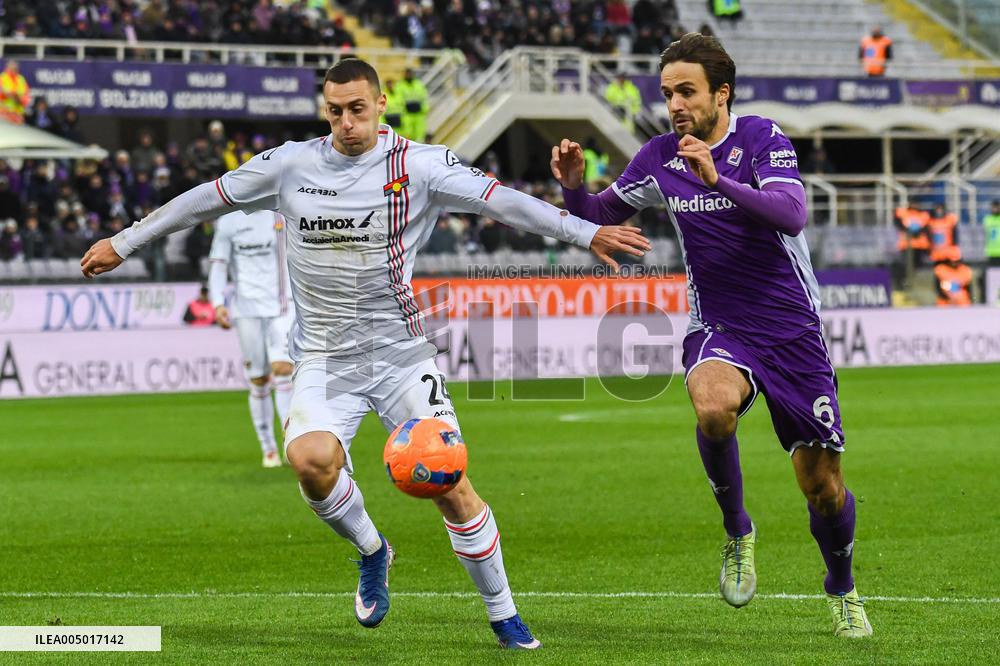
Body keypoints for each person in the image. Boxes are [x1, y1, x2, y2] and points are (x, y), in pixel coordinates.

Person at [81, 57, 649, 649]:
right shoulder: (290, 165)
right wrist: (125, 242)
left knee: (450, 483)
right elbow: (204, 199)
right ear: (324, 111)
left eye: (357, 109)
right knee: (310, 462)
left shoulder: (420, 165)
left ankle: (504, 615)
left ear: (381, 105)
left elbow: (502, 202)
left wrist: (585, 232)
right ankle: (373, 550)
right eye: (335, 112)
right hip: (324, 360)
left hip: (401, 357)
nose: (347, 123)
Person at [550, 32, 872, 638]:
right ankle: (737, 530)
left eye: (687, 92)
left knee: (823, 488)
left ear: (721, 94)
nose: (675, 104)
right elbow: (600, 214)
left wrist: (718, 179)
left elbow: (791, 214)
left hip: (792, 330)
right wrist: (573, 187)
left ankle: (842, 587)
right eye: (667, 93)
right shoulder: (659, 157)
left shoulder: (761, 138)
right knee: (713, 406)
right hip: (719, 324)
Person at [208, 209, 295, 468]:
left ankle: (291, 442)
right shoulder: (228, 222)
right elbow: (218, 265)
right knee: (258, 379)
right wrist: (217, 303)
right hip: (246, 310)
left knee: (283, 369)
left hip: (282, 306)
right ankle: (268, 449)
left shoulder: (281, 215)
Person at [397, 68, 428, 141]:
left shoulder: (418, 84)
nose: (409, 75)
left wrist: (425, 109)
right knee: (408, 134)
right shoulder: (400, 86)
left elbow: (424, 97)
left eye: (410, 73)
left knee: (420, 134)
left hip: (419, 114)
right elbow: (398, 100)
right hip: (407, 115)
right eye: (407, 74)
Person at [0, 59, 31, 124]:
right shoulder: (2, 78)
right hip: (3, 114)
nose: (13, 70)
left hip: (17, 115)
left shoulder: (21, 79)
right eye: (12, 68)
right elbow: (2, 93)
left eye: (15, 69)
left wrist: (19, 99)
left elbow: (27, 97)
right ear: (7, 68)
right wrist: (7, 94)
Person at [984, 200, 1000, 268]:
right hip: (991, 251)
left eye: (997, 207)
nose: (995, 209)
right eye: (994, 207)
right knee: (992, 272)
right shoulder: (987, 219)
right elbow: (985, 235)